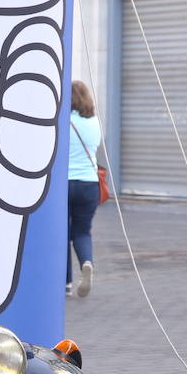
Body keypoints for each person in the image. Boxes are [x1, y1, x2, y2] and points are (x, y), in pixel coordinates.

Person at [67, 80, 102, 298]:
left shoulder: (63, 122)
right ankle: (86, 262)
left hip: (64, 185)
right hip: (89, 184)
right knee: (82, 231)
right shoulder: (95, 122)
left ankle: (66, 283)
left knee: (61, 235)